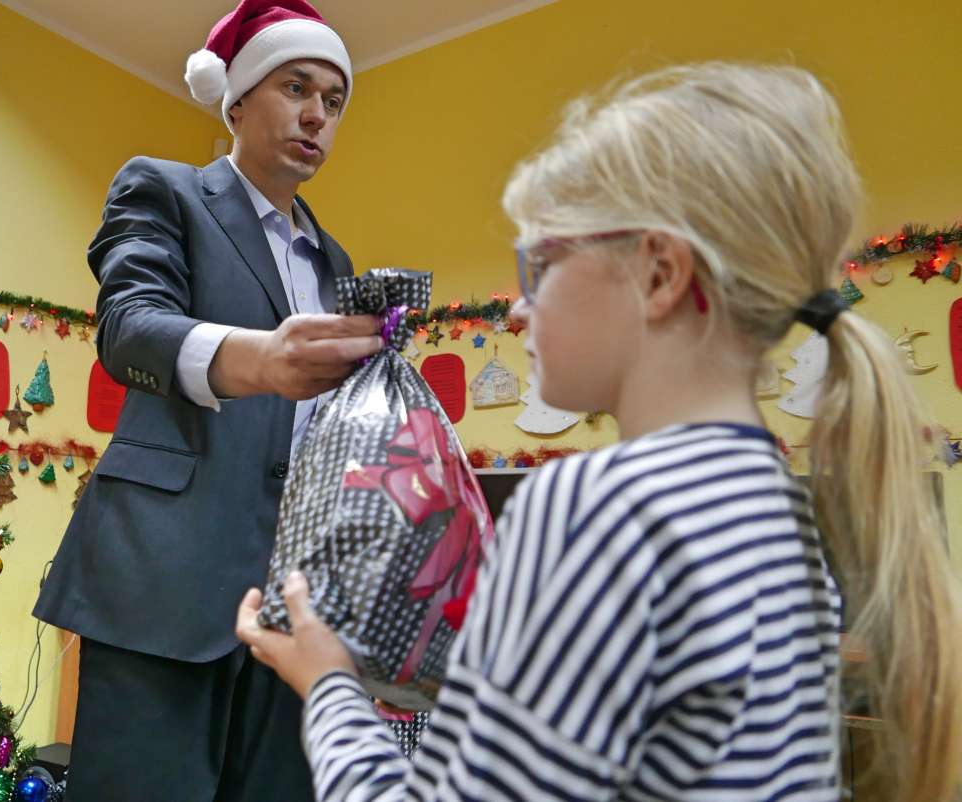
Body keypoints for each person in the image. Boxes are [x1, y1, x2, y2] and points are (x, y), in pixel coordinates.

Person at [237, 62, 962, 801]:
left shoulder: (593, 508)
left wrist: (328, 686)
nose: (518, 311)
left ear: (659, 274)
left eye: (541, 265)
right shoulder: (778, 510)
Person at [32, 2, 381, 799]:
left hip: (296, 607)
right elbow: (130, 327)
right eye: (296, 87)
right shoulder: (165, 190)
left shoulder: (336, 262)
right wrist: (261, 360)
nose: (317, 115)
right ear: (238, 99)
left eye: (334, 101)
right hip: (164, 580)